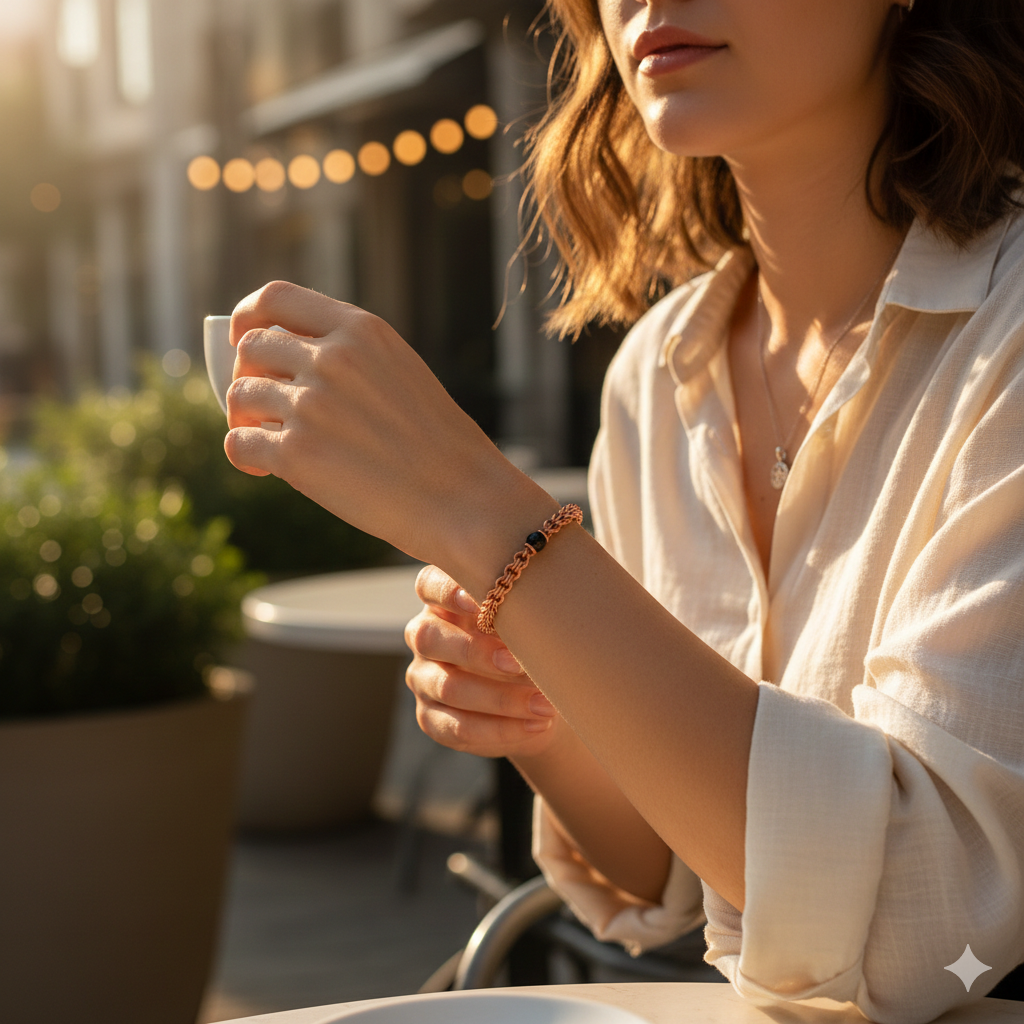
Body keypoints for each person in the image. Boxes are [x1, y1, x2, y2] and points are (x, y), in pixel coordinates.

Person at [223, 1, 1024, 1021]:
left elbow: (922, 933)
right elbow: (674, 875)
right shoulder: (658, 374)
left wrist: (481, 510)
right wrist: (550, 713)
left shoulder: (1006, 330)